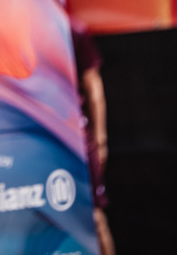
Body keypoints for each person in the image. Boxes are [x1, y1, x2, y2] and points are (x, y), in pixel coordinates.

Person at [72, 19, 116, 255]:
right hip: (40, 138)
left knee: (95, 217)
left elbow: (94, 87)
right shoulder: (14, 31)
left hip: (78, 139)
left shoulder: (73, 29)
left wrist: (100, 139)